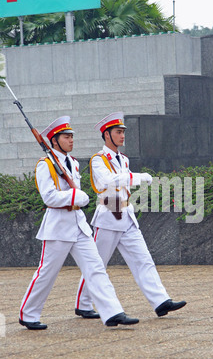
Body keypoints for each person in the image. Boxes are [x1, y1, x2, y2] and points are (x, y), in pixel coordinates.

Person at [19, 116, 139, 330]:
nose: (71, 140)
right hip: (58, 226)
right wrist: (76, 197)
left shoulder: (72, 163)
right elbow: (49, 197)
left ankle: (113, 312)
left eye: (72, 136)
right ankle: (28, 314)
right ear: (54, 141)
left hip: (79, 225)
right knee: (47, 273)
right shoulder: (45, 165)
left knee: (96, 269)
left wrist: (77, 198)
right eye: (66, 137)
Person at [75, 112, 186, 318]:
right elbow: (109, 181)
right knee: (97, 263)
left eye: (123, 132)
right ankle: (83, 303)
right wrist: (137, 177)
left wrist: (131, 178)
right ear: (107, 135)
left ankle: (160, 300)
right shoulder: (98, 160)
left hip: (126, 214)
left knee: (143, 259)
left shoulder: (123, 159)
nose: (122, 136)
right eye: (118, 132)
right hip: (108, 215)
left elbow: (122, 181)